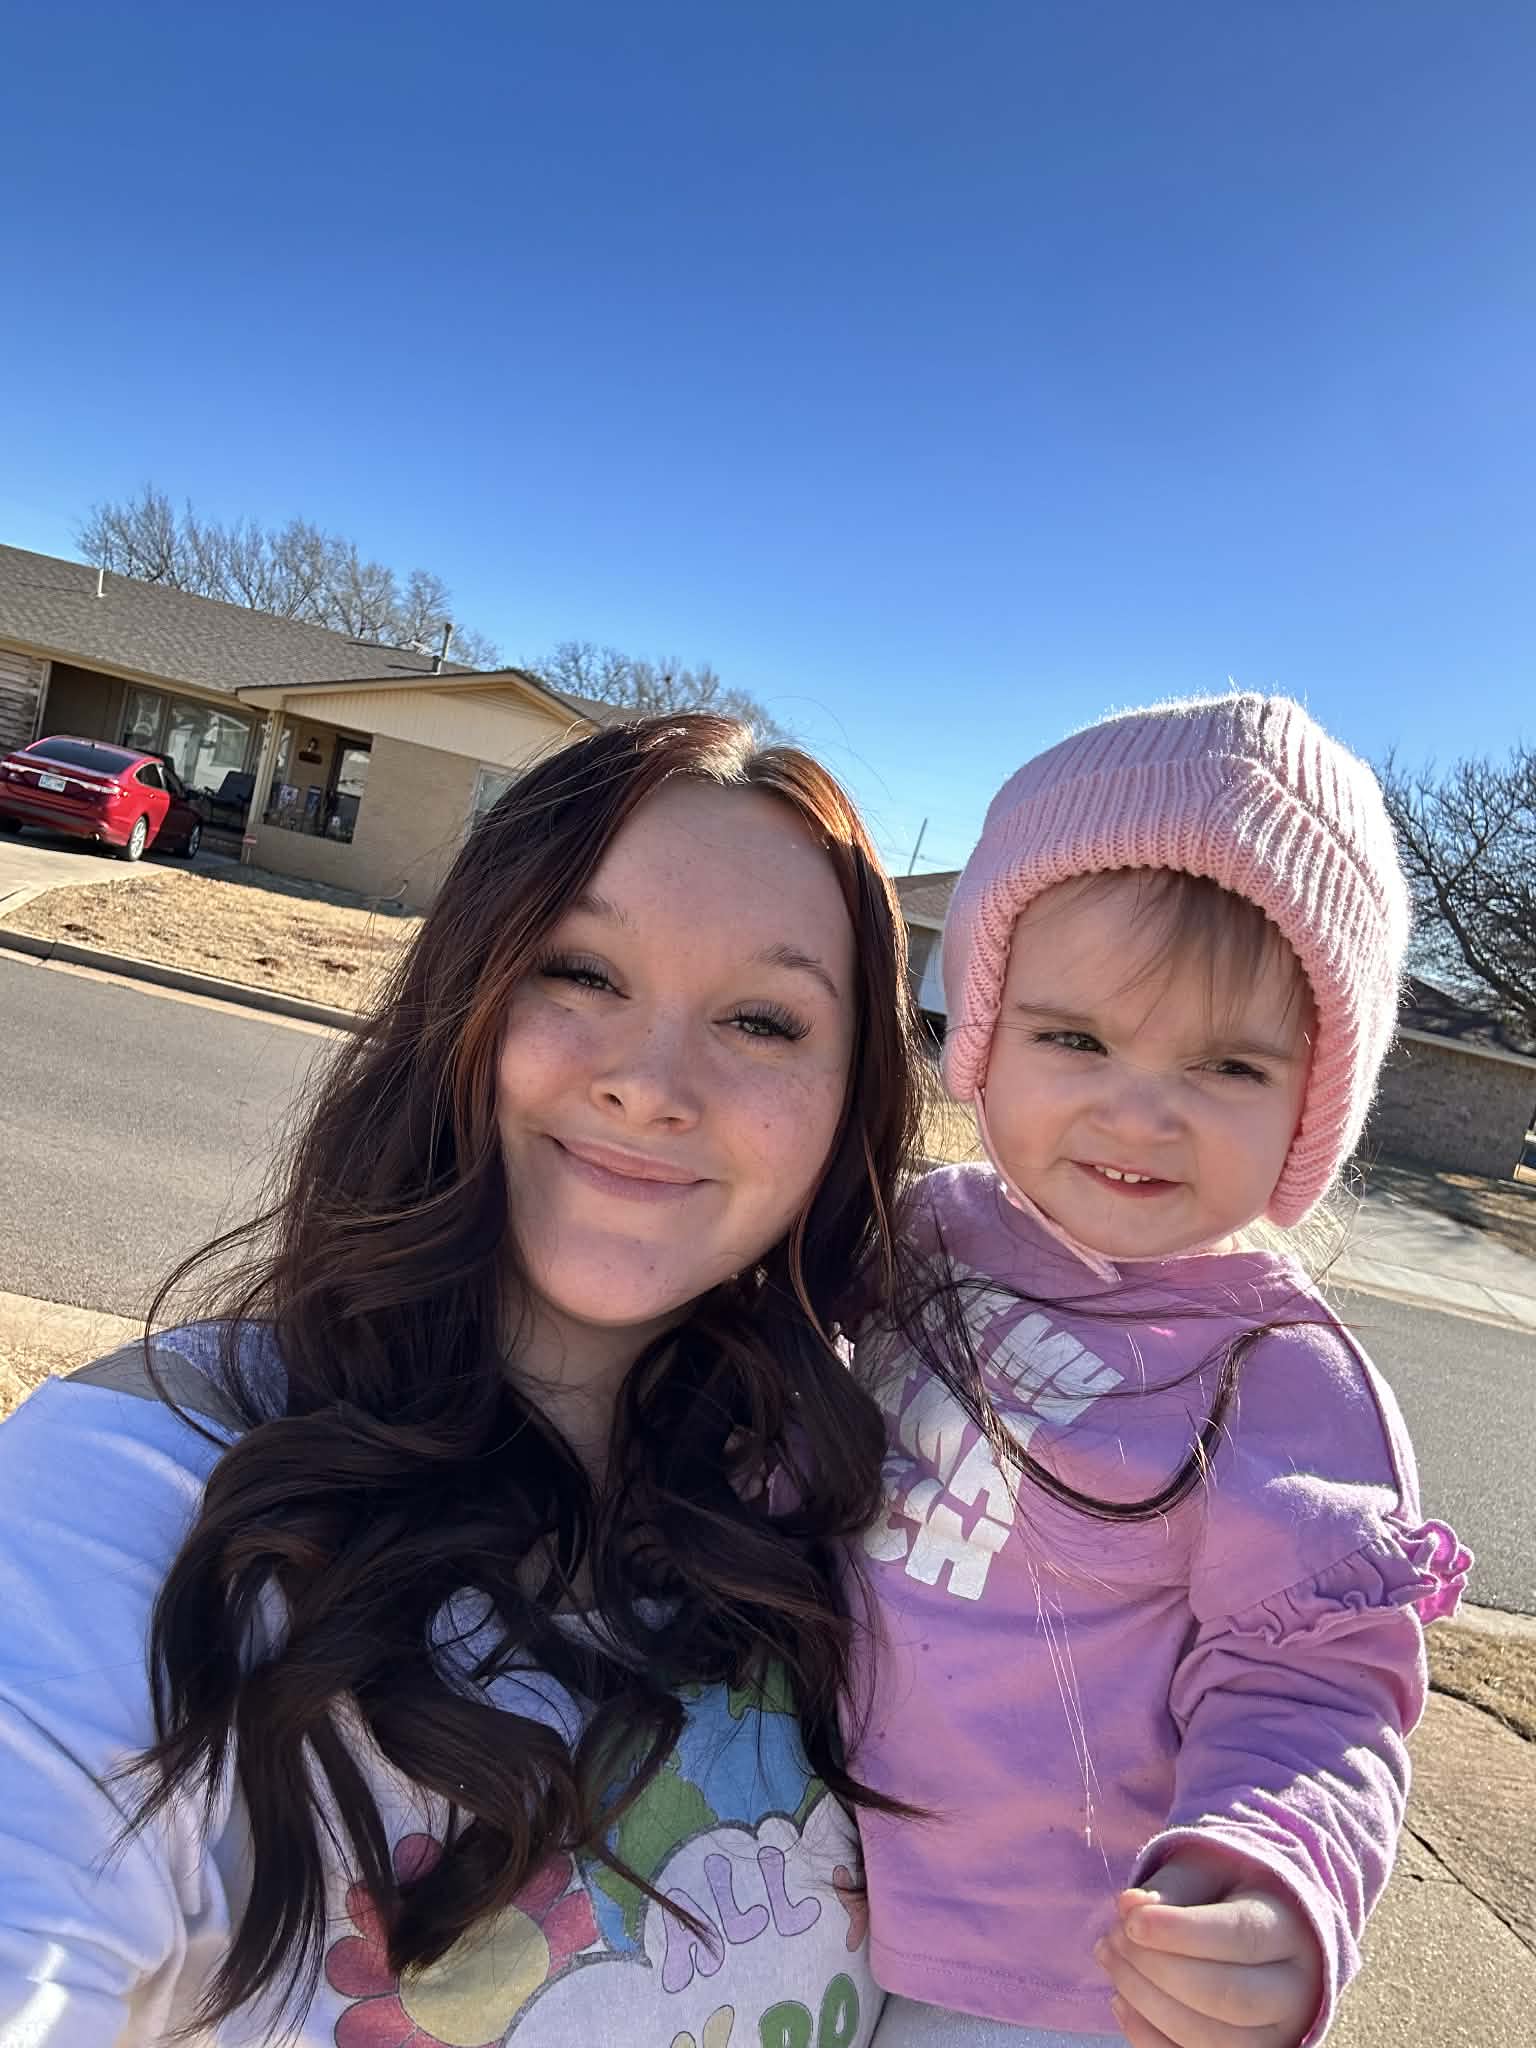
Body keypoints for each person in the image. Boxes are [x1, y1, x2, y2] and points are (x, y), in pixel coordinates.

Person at [0, 715, 928, 2047]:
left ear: (850, 1104)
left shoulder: (871, 1520)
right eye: (582, 970)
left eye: (763, 1018)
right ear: (466, 999)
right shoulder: (138, 1488)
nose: (652, 1085)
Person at [852, 693, 1470, 2048]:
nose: (1139, 1109)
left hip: (1052, 1971)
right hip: (790, 1875)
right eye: (1077, 1039)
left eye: (1227, 1064)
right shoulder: (921, 1236)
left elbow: (1310, 1681)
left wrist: (1261, 1876)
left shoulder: (1281, 1380)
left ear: (1313, 1101)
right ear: (989, 1035)